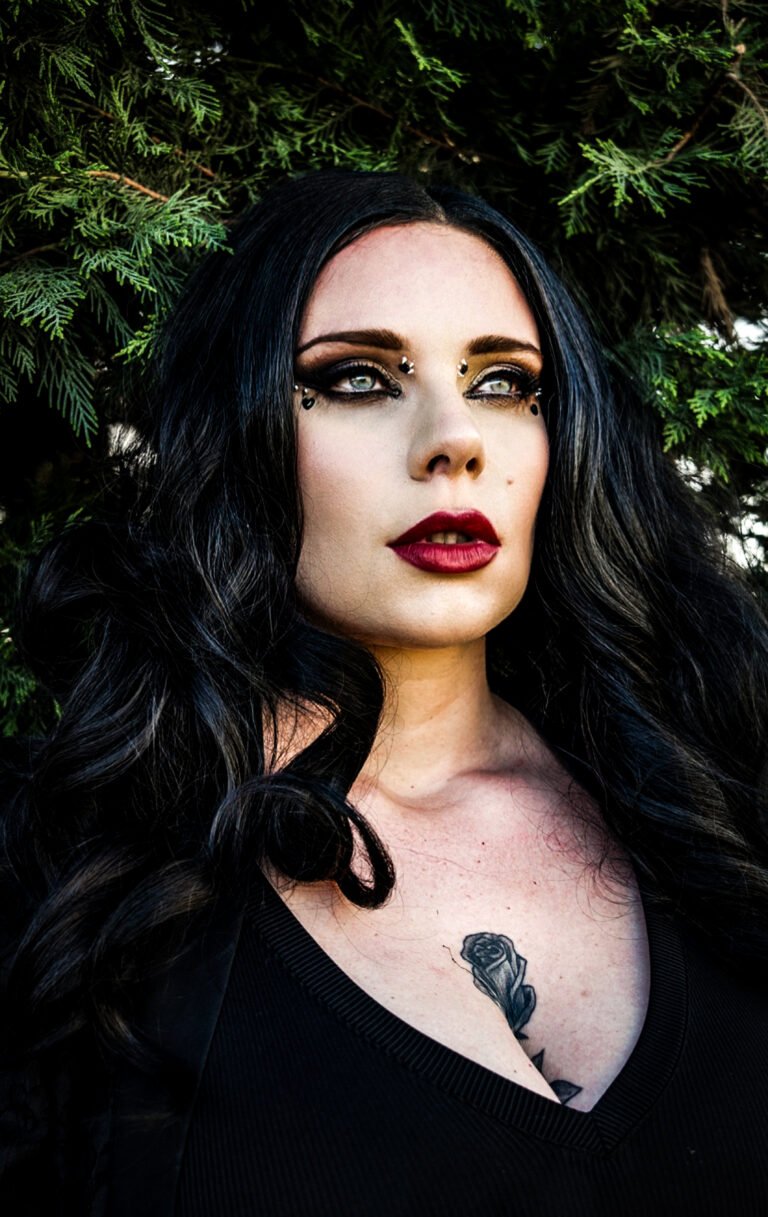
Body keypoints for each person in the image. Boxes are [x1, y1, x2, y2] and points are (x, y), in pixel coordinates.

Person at [2, 169, 768, 1216]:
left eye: (502, 382)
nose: (455, 440)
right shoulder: (65, 867)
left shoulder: (723, 795)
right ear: (234, 429)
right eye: (360, 378)